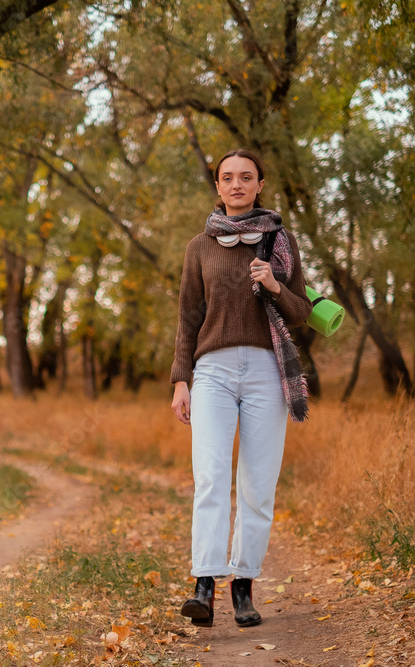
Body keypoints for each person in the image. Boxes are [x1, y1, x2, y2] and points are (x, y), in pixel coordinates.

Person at [170, 148, 312, 628]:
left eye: (245, 177)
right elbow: (188, 317)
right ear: (217, 187)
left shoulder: (279, 242)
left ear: (258, 186)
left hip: (266, 371)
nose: (235, 185)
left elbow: (302, 312)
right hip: (211, 370)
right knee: (210, 477)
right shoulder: (198, 247)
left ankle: (243, 587)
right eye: (227, 178)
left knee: (258, 485)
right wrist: (180, 380)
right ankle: (203, 585)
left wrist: (274, 283)